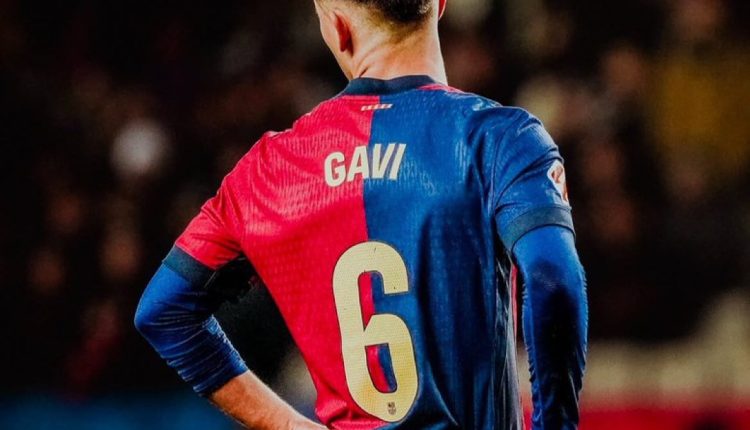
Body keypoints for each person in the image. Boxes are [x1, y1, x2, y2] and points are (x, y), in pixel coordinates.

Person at [134, 0, 588, 428]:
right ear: (440, 5)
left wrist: (285, 422)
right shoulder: (499, 139)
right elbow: (552, 278)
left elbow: (163, 313)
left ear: (337, 26)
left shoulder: (269, 170)